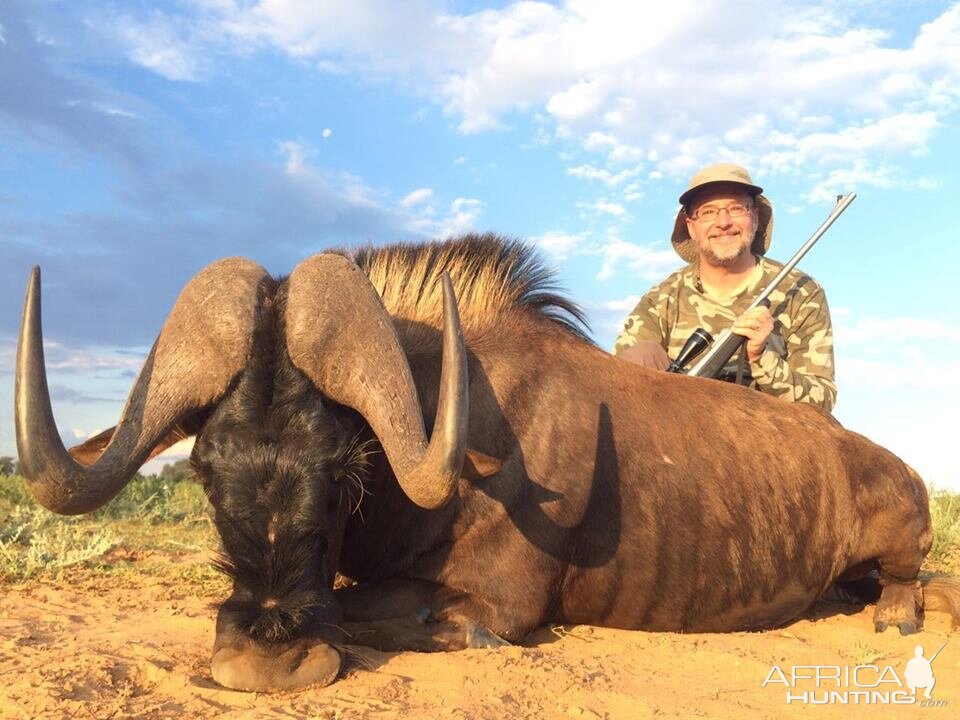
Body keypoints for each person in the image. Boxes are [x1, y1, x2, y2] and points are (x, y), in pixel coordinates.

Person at [614, 163, 837, 411]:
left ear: (755, 217)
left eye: (736, 208)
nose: (723, 222)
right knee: (641, 356)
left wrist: (762, 359)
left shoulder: (801, 291)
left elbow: (822, 400)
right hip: (679, 426)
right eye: (708, 212)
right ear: (691, 226)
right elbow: (615, 382)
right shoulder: (660, 299)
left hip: (765, 431)